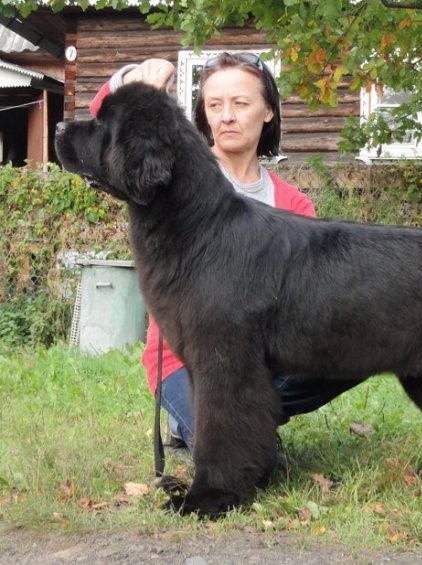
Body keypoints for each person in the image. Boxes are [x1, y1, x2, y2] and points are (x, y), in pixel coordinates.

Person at [90, 53, 361, 464]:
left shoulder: (293, 205)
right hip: (186, 362)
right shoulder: (176, 175)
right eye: (214, 105)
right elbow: (102, 120)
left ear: (268, 110)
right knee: (255, 464)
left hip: (260, 357)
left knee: (356, 347)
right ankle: (200, 420)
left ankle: (243, 418)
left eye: (240, 103)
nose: (226, 116)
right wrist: (134, 77)